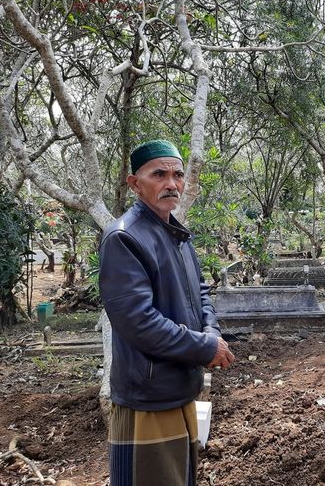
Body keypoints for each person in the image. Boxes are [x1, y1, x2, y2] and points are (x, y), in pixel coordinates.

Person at [99, 139, 235, 486]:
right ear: (135, 183)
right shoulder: (124, 238)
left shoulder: (177, 234)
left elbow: (200, 293)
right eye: (159, 174)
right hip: (149, 396)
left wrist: (212, 334)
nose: (171, 183)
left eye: (177, 174)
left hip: (179, 386)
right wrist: (204, 348)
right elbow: (138, 321)